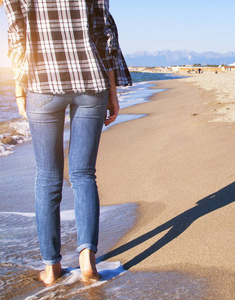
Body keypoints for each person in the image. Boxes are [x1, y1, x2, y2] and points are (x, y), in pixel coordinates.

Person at [3, 0, 131, 285]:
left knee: (48, 177)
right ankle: (87, 259)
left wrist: (19, 88)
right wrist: (112, 90)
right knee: (84, 174)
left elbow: (16, 36)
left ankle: (52, 267)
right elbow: (104, 34)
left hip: (42, 83)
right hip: (91, 82)